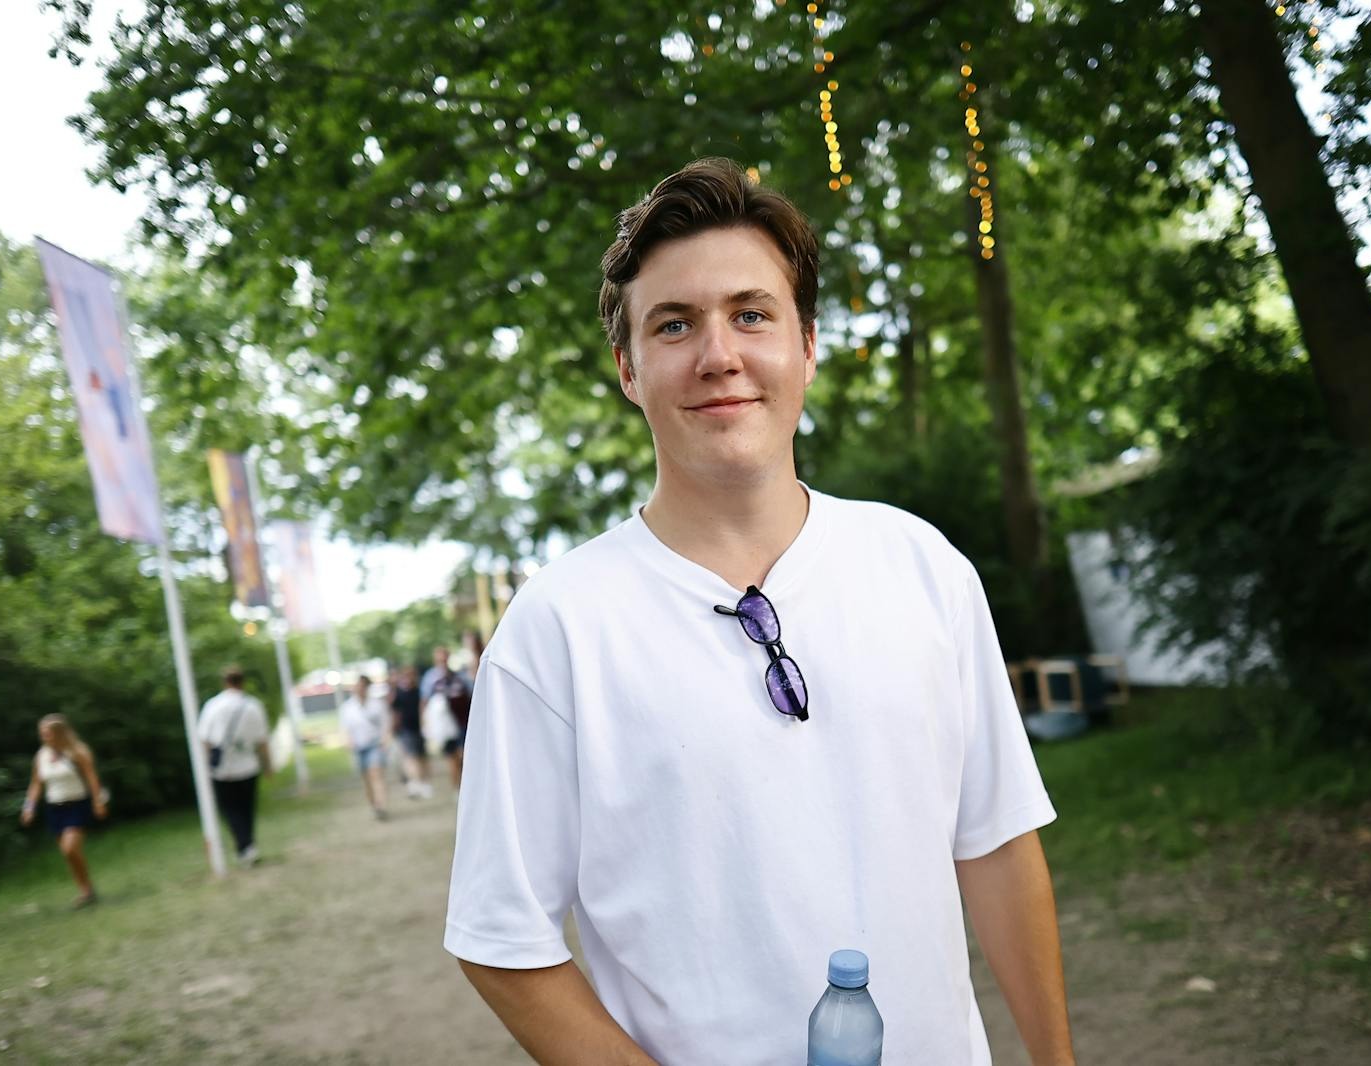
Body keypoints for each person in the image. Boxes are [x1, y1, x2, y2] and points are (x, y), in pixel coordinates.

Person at [443, 159, 1075, 1065]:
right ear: (628, 369)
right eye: (673, 324)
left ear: (806, 345)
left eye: (751, 314)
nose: (719, 355)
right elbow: (502, 940)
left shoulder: (922, 566)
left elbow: (997, 843)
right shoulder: (558, 631)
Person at [19, 714, 110, 907]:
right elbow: (36, 784)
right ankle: (87, 891)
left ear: (59, 733)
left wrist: (98, 802)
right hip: (54, 809)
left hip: (77, 806)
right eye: (42, 733)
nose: (43, 737)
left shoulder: (77, 751)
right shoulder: (41, 756)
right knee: (69, 854)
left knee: (70, 849)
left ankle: (87, 891)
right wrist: (29, 807)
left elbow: (91, 777)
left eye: (47, 733)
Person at [196, 665, 272, 867]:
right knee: (247, 808)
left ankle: (244, 846)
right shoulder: (253, 706)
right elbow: (262, 741)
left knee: (231, 810)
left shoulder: (213, 706)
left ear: (225, 682)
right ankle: (248, 846)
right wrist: (268, 766)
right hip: (248, 766)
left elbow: (204, 739)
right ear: (243, 682)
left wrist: (206, 765)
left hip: (223, 769)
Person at [337, 675, 392, 820]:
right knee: (367, 779)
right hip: (358, 747)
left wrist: (385, 739)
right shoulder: (348, 708)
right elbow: (345, 729)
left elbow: (386, 723)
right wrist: (348, 742)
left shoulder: (377, 705)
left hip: (375, 744)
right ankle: (374, 804)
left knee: (376, 774)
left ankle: (381, 805)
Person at [421, 645, 471, 789]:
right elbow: (424, 701)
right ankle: (457, 787)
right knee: (452, 757)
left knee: (463, 754)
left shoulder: (459, 676)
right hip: (445, 725)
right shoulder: (430, 679)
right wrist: (425, 723)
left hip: (462, 722)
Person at [389, 664, 430, 799]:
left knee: (421, 757)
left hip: (419, 729)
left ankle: (422, 782)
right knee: (411, 758)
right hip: (406, 730)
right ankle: (416, 782)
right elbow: (394, 711)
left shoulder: (419, 692)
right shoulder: (399, 694)